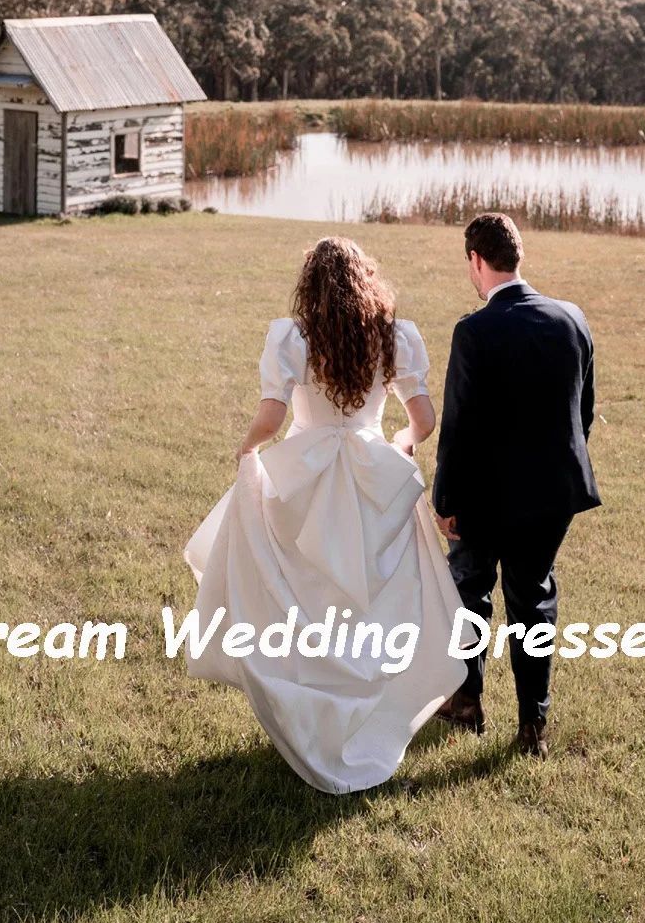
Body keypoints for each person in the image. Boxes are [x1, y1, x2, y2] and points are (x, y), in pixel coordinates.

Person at [183, 236, 469, 795]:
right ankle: (362, 713)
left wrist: (247, 449)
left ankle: (308, 707)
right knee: (370, 606)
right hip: (371, 477)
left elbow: (272, 414)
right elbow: (424, 417)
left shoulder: (295, 337)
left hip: (305, 475)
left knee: (304, 598)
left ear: (309, 286)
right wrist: (403, 443)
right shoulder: (394, 338)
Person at [433, 212, 601, 759]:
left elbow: (456, 428)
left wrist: (446, 501)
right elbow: (585, 413)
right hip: (552, 494)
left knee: (470, 592)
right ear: (518, 257)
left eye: (470, 266)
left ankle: (466, 700)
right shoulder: (572, 319)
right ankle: (533, 726)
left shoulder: (474, 330)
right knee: (533, 599)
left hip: (484, 496)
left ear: (477, 261)